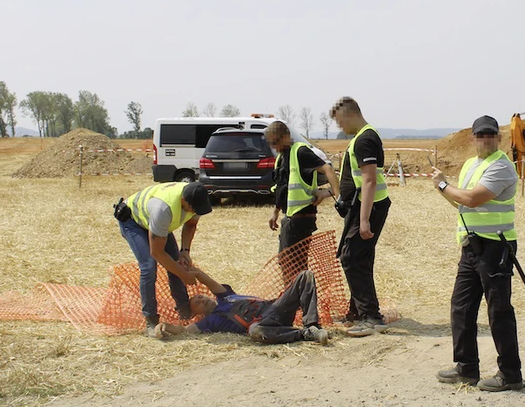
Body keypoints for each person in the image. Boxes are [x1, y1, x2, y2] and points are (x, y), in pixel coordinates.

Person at [431, 115, 524, 392]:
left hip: (496, 247)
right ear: (472, 138)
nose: (485, 139)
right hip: (471, 247)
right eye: (480, 135)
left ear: (498, 138)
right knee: (461, 307)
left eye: (490, 135)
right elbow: (462, 205)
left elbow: (472, 198)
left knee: (499, 312)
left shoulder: (501, 167)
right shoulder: (472, 164)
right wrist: (443, 188)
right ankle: (466, 368)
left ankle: (510, 375)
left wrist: (444, 185)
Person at [117, 181, 212, 337]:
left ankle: (184, 310)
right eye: (193, 209)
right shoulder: (163, 209)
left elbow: (191, 225)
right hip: (132, 220)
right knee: (148, 267)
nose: (196, 212)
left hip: (157, 222)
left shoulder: (197, 200)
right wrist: (184, 275)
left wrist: (185, 251)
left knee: (177, 262)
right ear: (184, 201)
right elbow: (157, 253)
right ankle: (151, 320)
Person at [329, 96, 391, 337]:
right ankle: (358, 312)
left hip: (369, 208)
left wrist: (364, 219)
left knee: (353, 258)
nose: (340, 128)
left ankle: (371, 316)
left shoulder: (365, 138)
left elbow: (369, 179)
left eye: (339, 122)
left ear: (349, 114)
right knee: (357, 257)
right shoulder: (363, 137)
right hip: (364, 207)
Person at [152, 267, 330, 345]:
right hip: (263, 325)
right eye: (196, 303)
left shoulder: (225, 296)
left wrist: (189, 270)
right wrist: (166, 326)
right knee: (255, 332)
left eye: (200, 296)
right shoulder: (210, 322)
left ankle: (312, 326)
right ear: (197, 314)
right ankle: (304, 334)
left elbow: (205, 279)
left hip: (276, 308)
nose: (201, 300)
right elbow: (184, 331)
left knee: (305, 276)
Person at [265, 121, 340, 279]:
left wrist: (332, 194)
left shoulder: (300, 152)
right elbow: (282, 188)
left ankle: (296, 300)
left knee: (293, 264)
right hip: (291, 218)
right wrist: (275, 213)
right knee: (287, 262)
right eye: (270, 143)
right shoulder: (281, 158)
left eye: (275, 141)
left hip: (301, 218)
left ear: (286, 137)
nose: (273, 146)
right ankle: (294, 298)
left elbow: (327, 169)